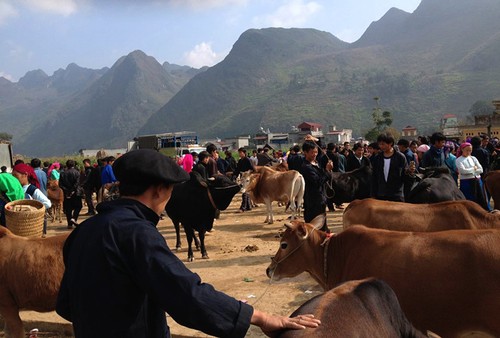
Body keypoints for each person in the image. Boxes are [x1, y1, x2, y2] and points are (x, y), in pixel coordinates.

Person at [55, 149, 320, 338]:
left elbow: (66, 304)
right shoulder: (138, 234)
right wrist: (262, 317)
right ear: (158, 190)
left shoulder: (84, 231)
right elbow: (186, 294)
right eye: (170, 191)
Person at [299, 138, 333, 232]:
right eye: (312, 152)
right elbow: (318, 182)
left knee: (323, 224)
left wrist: (316, 139)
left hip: (321, 199)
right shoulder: (306, 167)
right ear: (305, 152)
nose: (314, 154)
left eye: (316, 152)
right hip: (312, 201)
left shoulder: (316, 162)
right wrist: (327, 170)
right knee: (314, 227)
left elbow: (322, 150)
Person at [371, 133, 414, 202]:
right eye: (379, 144)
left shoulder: (400, 157)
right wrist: (373, 195)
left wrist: (410, 172)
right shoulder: (377, 158)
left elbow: (405, 177)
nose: (381, 146)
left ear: (390, 143)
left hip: (396, 196)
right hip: (381, 195)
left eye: (383, 144)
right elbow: (374, 177)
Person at [12, 163, 52, 235]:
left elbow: (47, 203)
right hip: (19, 226)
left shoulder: (32, 190)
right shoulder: (15, 189)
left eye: (15, 176)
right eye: (12, 176)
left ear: (25, 175)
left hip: (31, 227)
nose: (13, 179)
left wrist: (33, 209)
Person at [456, 142, 490, 210]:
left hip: (477, 180)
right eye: (467, 150)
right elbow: (463, 171)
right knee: (470, 198)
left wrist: (471, 170)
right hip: (466, 181)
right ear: (462, 149)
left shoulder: (473, 158)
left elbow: (481, 169)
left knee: (482, 197)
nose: (469, 152)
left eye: (470, 150)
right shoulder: (458, 160)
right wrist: (474, 168)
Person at [59, 160, 83, 229]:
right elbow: (77, 183)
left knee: (68, 208)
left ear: (66, 165)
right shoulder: (77, 173)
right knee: (78, 206)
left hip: (66, 194)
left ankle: (69, 224)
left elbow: (60, 184)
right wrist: (72, 191)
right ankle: (74, 218)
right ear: (74, 165)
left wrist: (67, 191)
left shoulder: (63, 173)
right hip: (76, 193)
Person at [232, 148, 255, 212]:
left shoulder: (248, 160)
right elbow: (237, 169)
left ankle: (243, 207)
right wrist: (234, 176)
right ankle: (248, 206)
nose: (239, 154)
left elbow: (253, 169)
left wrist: (247, 172)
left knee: (244, 191)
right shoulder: (240, 161)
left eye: (240, 152)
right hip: (242, 177)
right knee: (246, 191)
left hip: (247, 177)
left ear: (244, 153)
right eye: (239, 153)